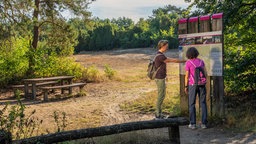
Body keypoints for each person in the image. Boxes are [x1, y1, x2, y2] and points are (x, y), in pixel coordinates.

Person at [154, 40, 186, 119]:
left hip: (160, 78)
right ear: (163, 46)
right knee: (161, 95)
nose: (167, 48)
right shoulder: (160, 56)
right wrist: (185, 60)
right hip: (160, 78)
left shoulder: (160, 55)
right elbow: (173, 60)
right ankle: (157, 113)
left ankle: (159, 113)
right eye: (166, 46)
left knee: (162, 95)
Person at [184, 47, 208, 129]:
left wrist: (186, 86)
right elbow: (205, 73)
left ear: (188, 54)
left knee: (191, 104)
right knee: (203, 103)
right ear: (196, 53)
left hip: (192, 85)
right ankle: (204, 123)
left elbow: (187, 76)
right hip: (202, 85)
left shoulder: (188, 63)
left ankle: (193, 124)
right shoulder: (201, 61)